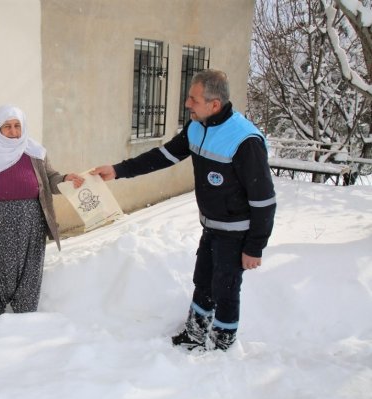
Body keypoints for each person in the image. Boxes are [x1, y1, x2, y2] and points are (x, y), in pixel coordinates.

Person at [92, 69, 276, 351]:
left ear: (214, 104)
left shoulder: (244, 140)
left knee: (225, 290)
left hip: (236, 233)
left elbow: (263, 200)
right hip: (211, 227)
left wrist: (255, 247)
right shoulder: (196, 127)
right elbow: (163, 156)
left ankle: (222, 345)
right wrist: (118, 171)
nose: (187, 104)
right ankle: (195, 333)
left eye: (193, 99)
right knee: (202, 281)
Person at [0, 105, 84, 317]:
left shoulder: (35, 152)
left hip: (31, 219)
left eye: (17, 125)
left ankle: (25, 314)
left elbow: (51, 178)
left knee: (30, 265)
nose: (13, 131)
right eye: (7, 126)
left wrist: (65, 180)